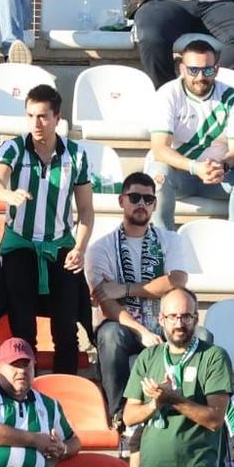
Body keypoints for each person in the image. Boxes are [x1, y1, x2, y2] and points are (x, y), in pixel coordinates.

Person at [0, 83, 94, 374]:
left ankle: (66, 394)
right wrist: (9, 195)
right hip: (19, 244)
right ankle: (26, 395)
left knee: (67, 330)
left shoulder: (77, 155)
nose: (36, 123)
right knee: (23, 328)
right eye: (31, 115)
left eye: (43, 116)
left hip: (60, 245)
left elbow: (85, 210)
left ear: (57, 118)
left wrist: (80, 248)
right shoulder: (14, 147)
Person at [86, 171, 190, 425]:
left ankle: (190, 409)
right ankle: (121, 414)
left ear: (154, 204)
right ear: (122, 201)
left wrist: (126, 289)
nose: (141, 204)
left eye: (148, 199)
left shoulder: (170, 240)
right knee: (111, 336)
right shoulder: (101, 248)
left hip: (164, 320)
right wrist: (141, 331)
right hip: (123, 325)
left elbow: (176, 280)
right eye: (134, 197)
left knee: (204, 337)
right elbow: (106, 301)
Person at [148, 36, 234, 231]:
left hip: (220, 175)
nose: (200, 77)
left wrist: (222, 166)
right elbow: (159, 148)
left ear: (216, 69)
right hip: (180, 173)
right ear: (182, 69)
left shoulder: (232, 96)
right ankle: (166, 245)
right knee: (157, 175)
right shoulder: (167, 94)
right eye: (193, 70)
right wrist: (195, 167)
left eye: (207, 70)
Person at [123, 287, 233, 467]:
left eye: (186, 317)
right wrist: (155, 404)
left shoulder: (213, 356)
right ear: (161, 319)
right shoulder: (148, 357)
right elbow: (129, 417)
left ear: (196, 318)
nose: (179, 324)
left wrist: (174, 399)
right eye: (173, 317)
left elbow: (215, 420)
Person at [0, 337, 84, 467]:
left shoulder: (49, 404)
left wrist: (62, 448)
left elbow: (75, 441)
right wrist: (35, 440)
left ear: (34, 366)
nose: (21, 371)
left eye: (26, 364)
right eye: (14, 365)